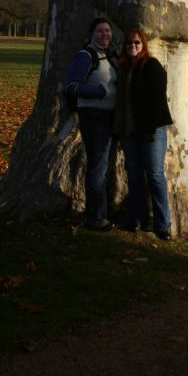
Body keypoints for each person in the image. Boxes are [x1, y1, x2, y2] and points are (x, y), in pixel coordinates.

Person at [114, 28, 173, 240]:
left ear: (143, 45)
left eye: (137, 42)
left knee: (155, 175)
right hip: (129, 130)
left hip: (152, 130)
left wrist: (148, 130)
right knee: (135, 175)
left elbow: (157, 102)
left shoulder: (152, 66)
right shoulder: (122, 68)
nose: (133, 46)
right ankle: (136, 218)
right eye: (129, 43)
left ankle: (163, 224)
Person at [64, 17, 118, 231]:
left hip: (109, 117)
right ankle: (95, 218)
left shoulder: (108, 56)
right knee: (98, 167)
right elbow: (71, 86)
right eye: (99, 31)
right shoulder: (85, 56)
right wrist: (100, 91)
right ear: (91, 35)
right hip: (94, 117)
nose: (104, 35)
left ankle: (101, 211)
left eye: (107, 31)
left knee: (102, 166)